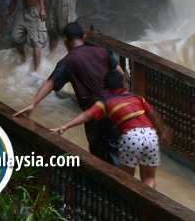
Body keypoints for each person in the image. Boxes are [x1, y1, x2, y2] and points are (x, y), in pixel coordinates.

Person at [13, 22, 124, 166]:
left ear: (65, 39)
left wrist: (33, 103)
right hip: (116, 106)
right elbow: (120, 73)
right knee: (116, 149)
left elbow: (51, 82)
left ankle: (108, 184)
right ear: (83, 36)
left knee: (98, 155)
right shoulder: (102, 51)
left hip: (94, 112)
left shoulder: (68, 61)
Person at [51, 69, 170, 188]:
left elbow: (87, 115)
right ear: (123, 83)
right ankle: (147, 204)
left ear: (105, 87)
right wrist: (162, 132)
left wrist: (64, 126)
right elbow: (153, 114)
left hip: (131, 136)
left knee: (126, 180)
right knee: (149, 178)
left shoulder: (106, 101)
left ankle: (127, 205)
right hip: (150, 135)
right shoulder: (137, 98)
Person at [2, 0, 48, 70]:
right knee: (15, 38)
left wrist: (42, 8)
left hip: (35, 10)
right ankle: (23, 57)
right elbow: (13, 1)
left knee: (35, 42)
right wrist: (8, 17)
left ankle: (36, 70)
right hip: (23, 11)